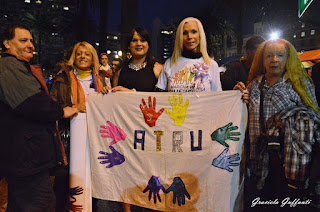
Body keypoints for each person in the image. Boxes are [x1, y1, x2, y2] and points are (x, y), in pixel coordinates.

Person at [234, 39, 319, 211]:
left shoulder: (299, 84)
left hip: (290, 163)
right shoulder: (254, 86)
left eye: (280, 55)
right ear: (262, 60)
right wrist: (238, 98)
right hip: (260, 163)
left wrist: (290, 121)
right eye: (269, 56)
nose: (274, 60)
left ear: (288, 58)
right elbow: (245, 118)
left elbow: (315, 117)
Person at [0, 25, 78, 211]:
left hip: (26, 157)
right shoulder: (8, 66)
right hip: (27, 159)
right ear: (7, 44)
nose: (30, 45)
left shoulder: (17, 67)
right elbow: (34, 103)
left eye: (31, 41)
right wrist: (62, 111)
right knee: (40, 204)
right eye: (23, 40)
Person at [50, 41, 108, 212]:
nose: (83, 56)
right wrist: (74, 108)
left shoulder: (101, 80)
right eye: (79, 53)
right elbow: (52, 106)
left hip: (93, 140)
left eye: (87, 53)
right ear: (74, 57)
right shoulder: (62, 78)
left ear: (93, 58)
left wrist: (106, 96)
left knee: (91, 184)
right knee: (62, 185)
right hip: (68, 139)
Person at [156, 17, 221, 92]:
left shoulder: (211, 65)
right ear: (180, 37)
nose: (189, 37)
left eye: (194, 32)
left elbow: (218, 99)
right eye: (184, 33)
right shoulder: (169, 64)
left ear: (200, 35)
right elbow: (159, 98)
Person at [112, 27, 163, 92]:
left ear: (148, 45)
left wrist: (131, 93)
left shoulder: (157, 69)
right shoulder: (120, 70)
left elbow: (164, 98)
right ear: (129, 46)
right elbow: (114, 98)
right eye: (134, 40)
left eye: (143, 40)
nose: (138, 44)